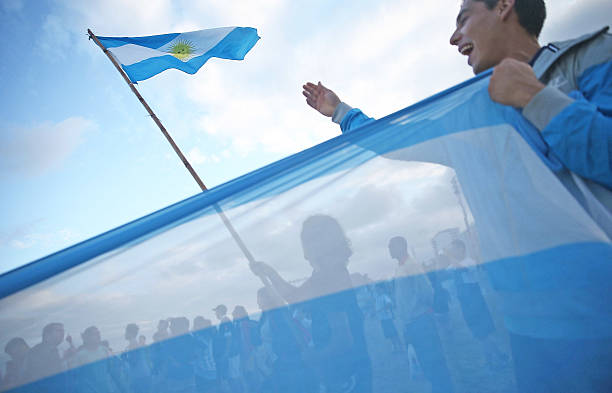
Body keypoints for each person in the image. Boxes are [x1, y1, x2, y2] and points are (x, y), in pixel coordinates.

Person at [250, 215, 372, 392]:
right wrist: (268, 272)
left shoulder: (331, 278)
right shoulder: (325, 276)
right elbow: (295, 296)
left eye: (306, 242)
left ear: (319, 245)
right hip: (345, 371)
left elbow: (343, 339)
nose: (304, 251)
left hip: (347, 375)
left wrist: (315, 356)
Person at [388, 236, 454, 393]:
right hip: (411, 324)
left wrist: (424, 311)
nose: (389, 250)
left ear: (402, 246)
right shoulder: (399, 268)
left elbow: (426, 291)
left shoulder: (412, 266)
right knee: (425, 363)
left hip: (421, 322)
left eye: (391, 246)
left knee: (434, 362)